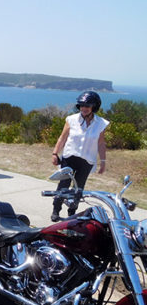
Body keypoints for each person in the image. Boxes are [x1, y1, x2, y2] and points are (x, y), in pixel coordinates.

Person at [50, 91, 109, 222]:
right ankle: (56, 210)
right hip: (69, 158)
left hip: (87, 161)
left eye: (87, 106)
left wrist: (103, 161)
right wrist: (55, 153)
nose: (84, 108)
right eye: (81, 105)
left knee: (78, 189)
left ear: (94, 106)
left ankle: (72, 213)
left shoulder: (101, 123)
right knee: (63, 186)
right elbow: (62, 138)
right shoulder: (71, 120)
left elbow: (101, 143)